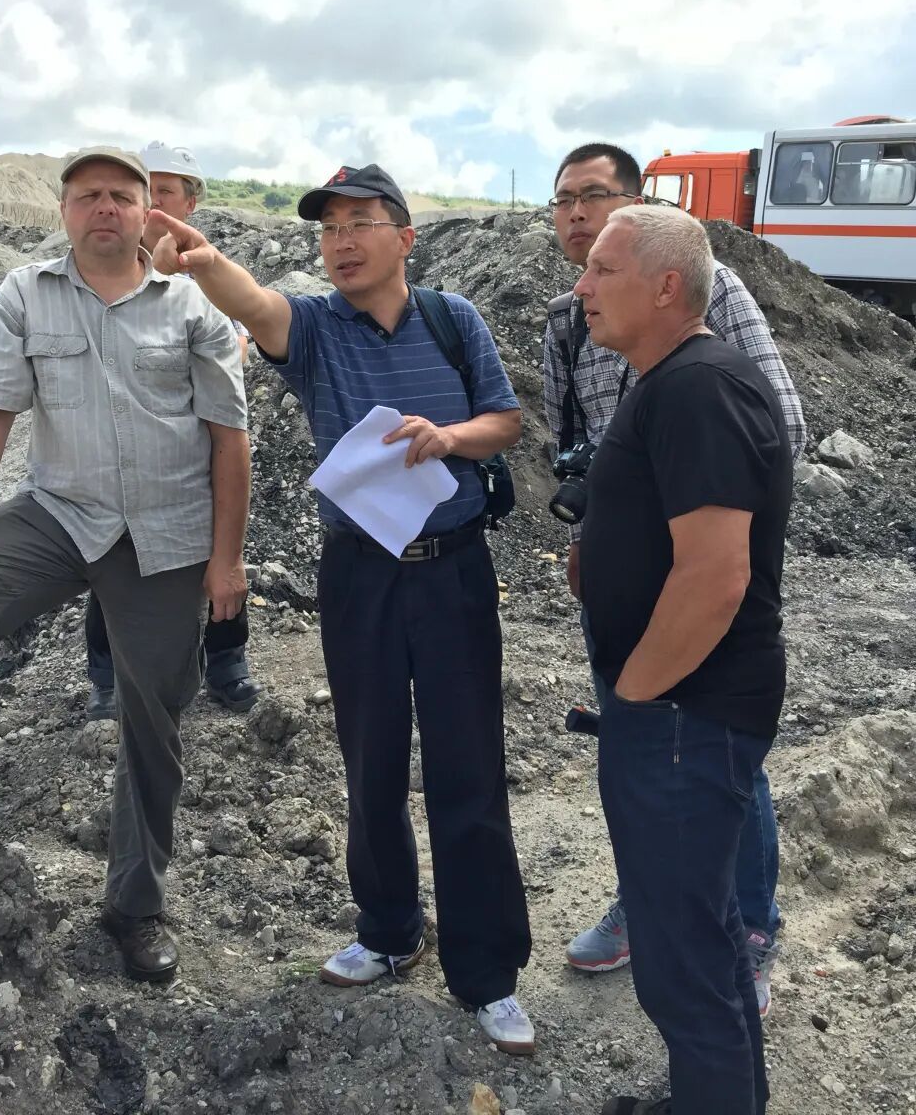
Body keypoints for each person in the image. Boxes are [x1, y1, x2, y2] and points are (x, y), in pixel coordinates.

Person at [143, 163, 536, 1054]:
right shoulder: (316, 329)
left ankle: (487, 974)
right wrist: (202, 259)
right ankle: (389, 931)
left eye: (360, 222)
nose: (341, 241)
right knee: (371, 758)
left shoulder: (454, 318)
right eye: (328, 228)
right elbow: (254, 305)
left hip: (454, 571)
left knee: (469, 764)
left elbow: (505, 420)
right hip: (360, 575)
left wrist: (450, 438)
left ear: (405, 237)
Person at [0, 147, 249, 984]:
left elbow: (230, 439)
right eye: (87, 196)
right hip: (61, 515)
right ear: (64, 212)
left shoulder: (194, 307)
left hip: (166, 533)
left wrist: (226, 560)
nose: (104, 207)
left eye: (121, 195)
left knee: (155, 710)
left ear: (146, 212)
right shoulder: (22, 296)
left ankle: (135, 904)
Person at [543, 142, 804, 1018]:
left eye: (596, 196)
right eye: (564, 200)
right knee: (645, 765)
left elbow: (777, 425)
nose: (578, 215)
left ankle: (747, 928)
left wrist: (694, 526)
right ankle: (650, 896)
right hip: (622, 581)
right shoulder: (569, 317)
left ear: (637, 208)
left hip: (697, 577)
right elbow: (573, 444)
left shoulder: (706, 292)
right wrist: (597, 531)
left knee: (713, 758)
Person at [578, 204, 791, 1115]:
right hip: (679, 714)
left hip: (682, 717)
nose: (581, 287)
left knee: (680, 955)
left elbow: (714, 578)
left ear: (667, 286)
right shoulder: (670, 381)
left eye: (603, 269)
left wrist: (633, 699)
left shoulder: (700, 388)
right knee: (700, 934)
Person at [82, 140, 261, 720]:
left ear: (190, 202)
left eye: (166, 191)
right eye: (148, 190)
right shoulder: (106, 269)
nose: (155, 202)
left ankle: (226, 658)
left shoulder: (207, 269)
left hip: (201, 441)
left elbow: (241, 341)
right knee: (114, 556)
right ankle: (108, 674)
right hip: (123, 446)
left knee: (221, 545)